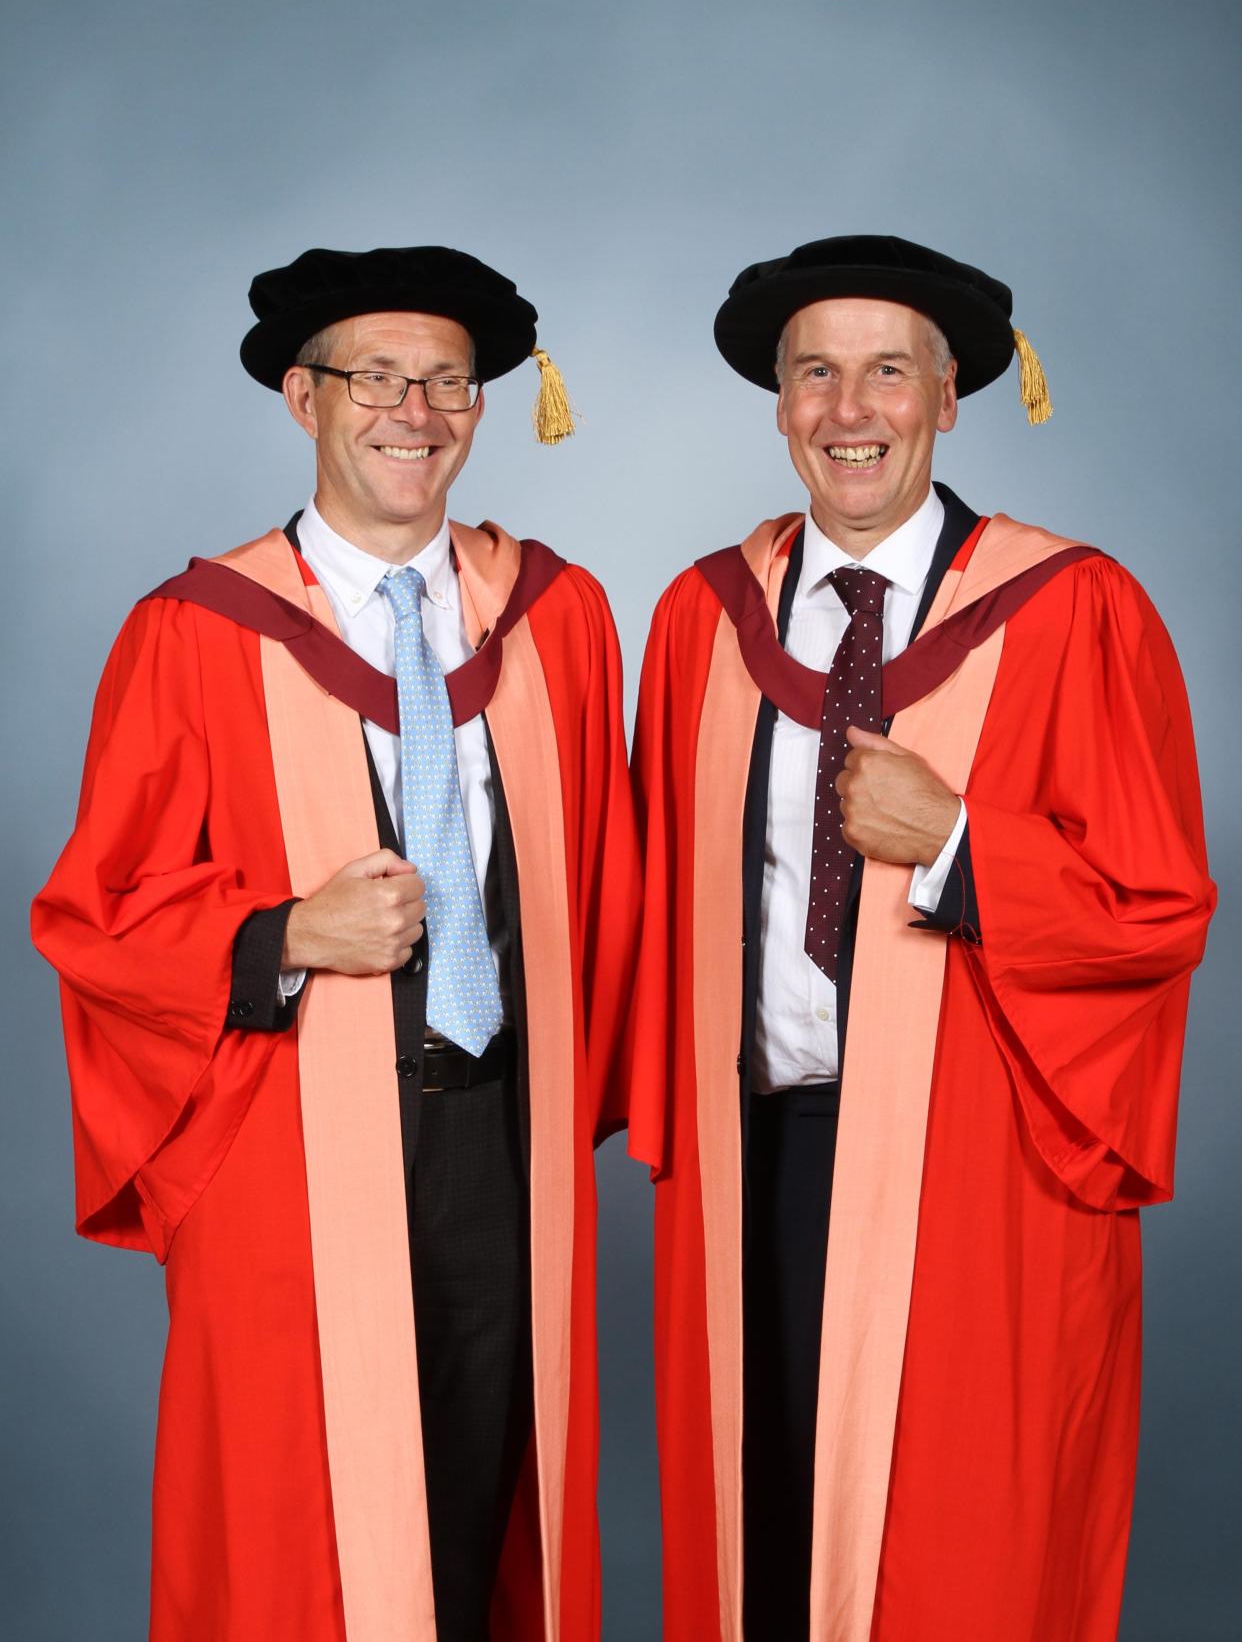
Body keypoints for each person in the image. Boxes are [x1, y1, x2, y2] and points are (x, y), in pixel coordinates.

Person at [32, 244, 640, 1642]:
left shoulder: (558, 621)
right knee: (306, 1532)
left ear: (482, 407)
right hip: (290, 1145)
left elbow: (619, 876)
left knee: (491, 1502)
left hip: (506, 1139)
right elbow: (96, 911)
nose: (412, 414)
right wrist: (282, 933)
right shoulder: (191, 633)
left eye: (446, 382)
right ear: (303, 397)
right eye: (376, 377)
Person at [628, 234, 1216, 1642]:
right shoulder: (700, 622)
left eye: (887, 372)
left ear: (949, 400)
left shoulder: (1074, 607)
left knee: (953, 1564)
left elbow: (1154, 907)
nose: (849, 410)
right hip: (755, 1156)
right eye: (813, 374)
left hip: (981, 1172)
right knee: (765, 1545)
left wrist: (955, 843)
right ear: (775, 405)